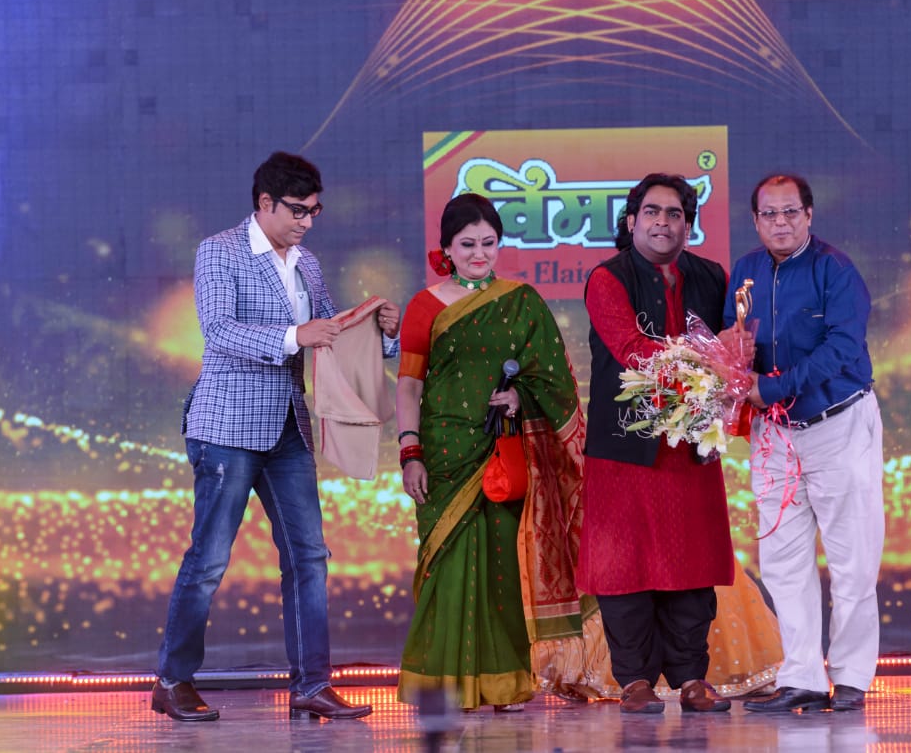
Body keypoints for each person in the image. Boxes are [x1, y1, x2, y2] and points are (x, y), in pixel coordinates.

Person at [152, 151, 400, 722]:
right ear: (264, 202)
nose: (307, 221)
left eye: (314, 211)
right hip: (226, 427)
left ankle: (312, 685)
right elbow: (218, 329)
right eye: (297, 210)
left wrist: (384, 332)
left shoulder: (307, 263)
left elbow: (333, 332)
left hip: (289, 427)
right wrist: (294, 335)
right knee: (209, 559)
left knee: (309, 556)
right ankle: (172, 680)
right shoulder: (219, 250)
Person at [396, 193, 595, 711]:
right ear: (446, 247)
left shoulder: (521, 301)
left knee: (506, 566)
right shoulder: (424, 306)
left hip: (504, 451)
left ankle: (507, 684)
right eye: (467, 245)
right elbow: (409, 386)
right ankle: (442, 688)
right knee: (446, 568)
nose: (479, 254)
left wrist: (519, 396)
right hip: (444, 453)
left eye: (489, 243)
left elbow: (553, 379)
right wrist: (410, 451)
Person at [577, 173, 736, 716]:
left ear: (688, 225)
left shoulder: (712, 277)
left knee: (692, 564)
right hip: (625, 448)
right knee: (624, 567)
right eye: (652, 212)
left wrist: (733, 364)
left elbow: (735, 348)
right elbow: (628, 347)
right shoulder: (607, 278)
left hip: (691, 446)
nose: (663, 223)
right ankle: (635, 681)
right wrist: (707, 363)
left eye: (674, 214)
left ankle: (692, 678)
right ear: (631, 221)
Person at [726, 173, 884, 714]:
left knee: (852, 558)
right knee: (782, 560)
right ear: (755, 220)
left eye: (790, 212)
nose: (780, 223)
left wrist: (772, 388)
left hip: (838, 423)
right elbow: (734, 340)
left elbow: (843, 348)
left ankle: (852, 675)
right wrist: (728, 376)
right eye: (769, 214)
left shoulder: (834, 270)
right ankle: (802, 677)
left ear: (809, 216)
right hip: (775, 433)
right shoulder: (745, 270)